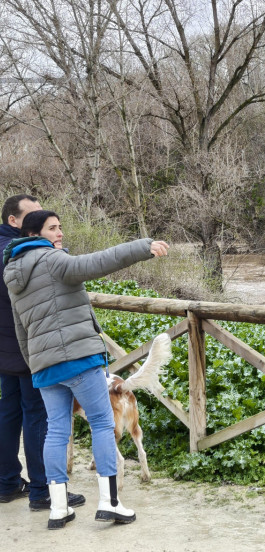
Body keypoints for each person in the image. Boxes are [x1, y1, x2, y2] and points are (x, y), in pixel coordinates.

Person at [3, 210, 169, 529]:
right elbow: (96, 263)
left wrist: (34, 363)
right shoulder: (51, 259)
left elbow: (21, 329)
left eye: (60, 227)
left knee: (56, 431)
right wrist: (143, 246)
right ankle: (110, 502)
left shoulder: (13, 273)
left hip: (44, 367)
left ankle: (58, 508)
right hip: (79, 359)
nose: (60, 233)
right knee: (102, 424)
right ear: (35, 234)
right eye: (54, 228)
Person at [0, 195, 85, 511]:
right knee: (38, 417)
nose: (41, 220)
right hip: (26, 347)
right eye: (34, 215)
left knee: (9, 415)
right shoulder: (16, 253)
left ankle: (7, 482)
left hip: (5, 349)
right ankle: (44, 489)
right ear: (14, 220)